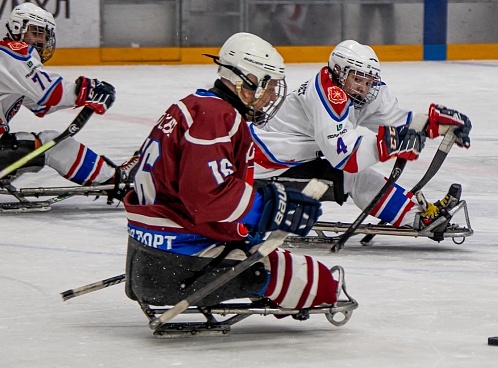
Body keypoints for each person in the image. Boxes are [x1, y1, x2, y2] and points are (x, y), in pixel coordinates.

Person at [124, 32, 341, 312]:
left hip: (150, 249)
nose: (273, 94)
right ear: (247, 80)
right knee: (319, 285)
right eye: (270, 85)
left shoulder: (192, 105)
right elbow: (205, 197)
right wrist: (267, 209)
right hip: (181, 257)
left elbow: (194, 183)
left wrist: (264, 201)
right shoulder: (217, 116)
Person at [251, 40, 472, 233]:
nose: (363, 88)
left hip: (299, 158)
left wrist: (438, 126)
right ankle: (413, 215)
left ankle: (417, 214)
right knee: (352, 176)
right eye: (357, 79)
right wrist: (387, 145)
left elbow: (397, 122)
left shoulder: (359, 92)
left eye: (367, 82)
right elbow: (345, 157)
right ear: (339, 71)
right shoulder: (327, 94)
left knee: (354, 177)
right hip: (266, 166)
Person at [0, 3, 137, 203]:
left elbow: (42, 105)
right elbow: (49, 93)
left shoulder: (7, 62)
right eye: (35, 33)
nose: (41, 40)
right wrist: (88, 90)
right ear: (16, 28)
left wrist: (83, 97)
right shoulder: (12, 53)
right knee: (50, 143)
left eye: (44, 35)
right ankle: (116, 179)